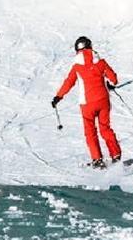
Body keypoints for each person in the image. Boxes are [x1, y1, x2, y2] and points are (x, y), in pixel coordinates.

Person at [51, 36, 122, 168]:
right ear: (90, 47)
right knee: (105, 128)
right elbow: (114, 79)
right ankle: (115, 154)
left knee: (90, 131)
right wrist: (111, 84)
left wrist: (58, 96)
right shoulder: (100, 62)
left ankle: (97, 159)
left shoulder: (77, 66)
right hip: (103, 100)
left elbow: (69, 82)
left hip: (87, 103)